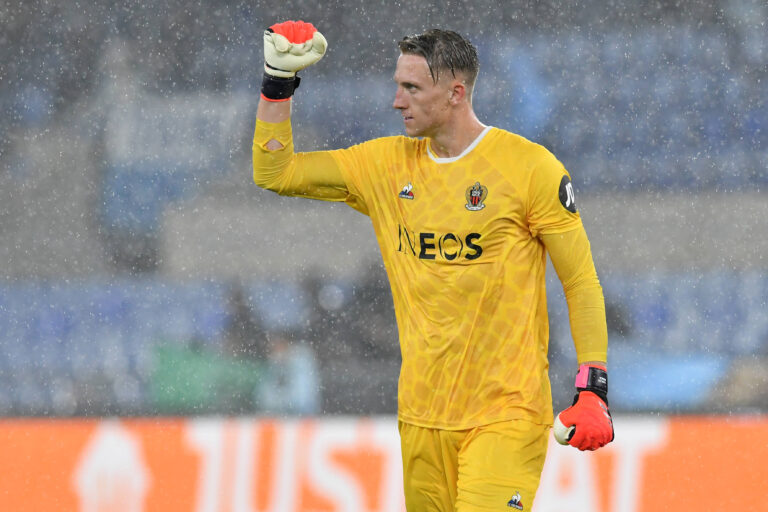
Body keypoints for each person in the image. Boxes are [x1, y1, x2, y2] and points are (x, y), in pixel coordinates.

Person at [252, 21, 614, 511]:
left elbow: (580, 281)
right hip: (422, 417)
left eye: (411, 88)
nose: (396, 102)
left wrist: (592, 388)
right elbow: (276, 172)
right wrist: (278, 84)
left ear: (455, 93)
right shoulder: (384, 166)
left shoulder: (531, 169)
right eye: (397, 86)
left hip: (504, 416)